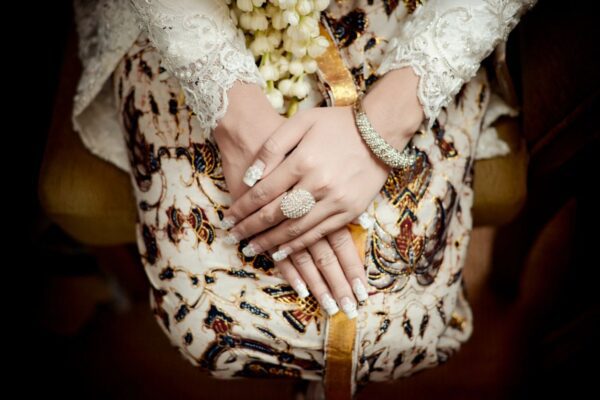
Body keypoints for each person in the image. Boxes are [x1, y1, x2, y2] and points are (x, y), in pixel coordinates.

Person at [72, 0, 537, 398]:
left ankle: (326, 372)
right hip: (195, 25)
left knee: (399, 323)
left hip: (417, 27)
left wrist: (380, 128)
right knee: (214, 319)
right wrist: (231, 112)